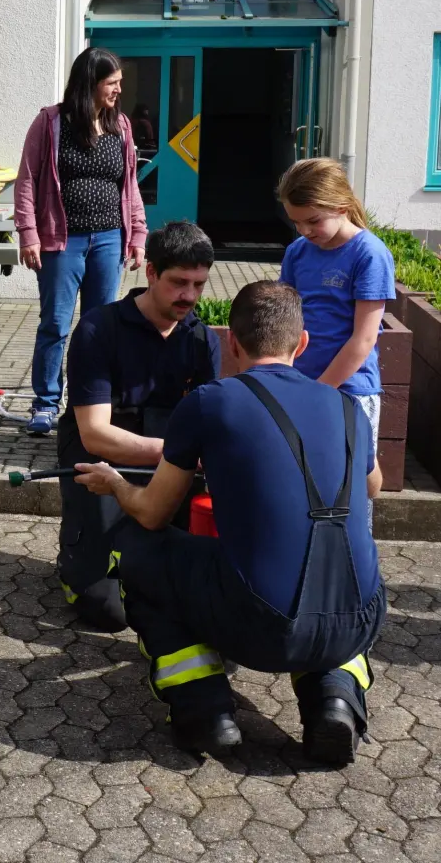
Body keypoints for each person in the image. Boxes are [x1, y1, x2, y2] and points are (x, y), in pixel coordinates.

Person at [74, 280, 384, 764]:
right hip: (359, 619)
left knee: (138, 548)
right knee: (333, 579)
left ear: (232, 343)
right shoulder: (348, 407)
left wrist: (115, 484)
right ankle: (334, 699)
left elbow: (153, 512)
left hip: (259, 627)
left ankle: (204, 709)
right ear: (302, 343)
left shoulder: (210, 401)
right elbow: (372, 486)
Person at [54, 221, 221, 631]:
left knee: (180, 589)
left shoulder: (203, 340)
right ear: (150, 272)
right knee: (108, 613)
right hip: (101, 463)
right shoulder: (99, 329)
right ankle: (75, 557)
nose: (189, 296)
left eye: (198, 285)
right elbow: (95, 434)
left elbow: (209, 424)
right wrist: (179, 455)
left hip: (167, 466)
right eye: (178, 282)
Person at [15, 47, 149, 437]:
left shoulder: (120, 125)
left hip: (109, 240)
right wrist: (28, 233)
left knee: (98, 329)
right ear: (90, 82)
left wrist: (138, 234)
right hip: (62, 242)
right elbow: (27, 181)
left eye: (119, 83)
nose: (118, 90)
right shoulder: (50, 122)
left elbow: (129, 186)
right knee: (55, 324)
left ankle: (88, 405)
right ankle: (45, 404)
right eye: (112, 83)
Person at [276, 158, 397, 498]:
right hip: (302, 385)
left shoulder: (369, 254)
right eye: (296, 222)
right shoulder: (298, 252)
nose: (304, 231)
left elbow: (364, 339)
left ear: (341, 207)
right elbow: (285, 320)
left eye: (313, 221)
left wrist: (319, 391)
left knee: (351, 489)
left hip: (350, 391)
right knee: (303, 482)